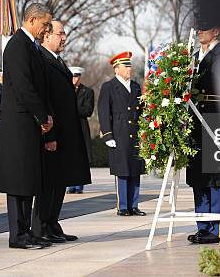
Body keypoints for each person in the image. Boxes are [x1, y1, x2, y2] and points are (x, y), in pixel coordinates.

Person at [0, 3, 54, 250]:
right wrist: (42, 116)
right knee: (18, 181)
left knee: (28, 179)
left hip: (28, 125)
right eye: (45, 24)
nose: (46, 29)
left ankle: (26, 231)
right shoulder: (17, 46)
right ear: (32, 20)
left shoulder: (31, 47)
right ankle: (17, 235)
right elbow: (25, 86)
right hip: (19, 125)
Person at [32, 21, 91, 242]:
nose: (64, 37)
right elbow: (45, 100)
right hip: (52, 132)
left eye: (65, 33)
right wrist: (49, 134)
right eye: (60, 33)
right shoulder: (41, 60)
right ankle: (41, 227)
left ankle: (52, 223)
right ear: (46, 36)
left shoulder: (57, 59)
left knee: (60, 182)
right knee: (48, 183)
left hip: (66, 131)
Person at [186, 24, 220, 244]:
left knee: (216, 177)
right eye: (198, 29)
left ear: (216, 31)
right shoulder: (193, 58)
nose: (199, 32)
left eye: (204, 28)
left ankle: (217, 228)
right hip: (195, 124)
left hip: (217, 123)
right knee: (198, 177)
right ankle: (203, 226)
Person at [97, 51, 146, 216]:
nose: (129, 69)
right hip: (119, 132)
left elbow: (141, 110)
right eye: (126, 66)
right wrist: (108, 135)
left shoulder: (136, 86)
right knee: (122, 170)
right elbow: (104, 112)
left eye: (130, 66)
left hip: (135, 131)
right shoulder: (109, 87)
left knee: (135, 169)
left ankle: (134, 204)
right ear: (116, 69)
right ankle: (123, 206)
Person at [67, 66, 95, 194]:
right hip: (68, 126)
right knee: (69, 156)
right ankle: (70, 184)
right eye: (73, 76)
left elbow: (88, 110)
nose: (74, 79)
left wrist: (73, 108)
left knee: (82, 156)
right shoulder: (65, 90)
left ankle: (79, 185)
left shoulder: (87, 92)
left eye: (77, 76)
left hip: (82, 126)